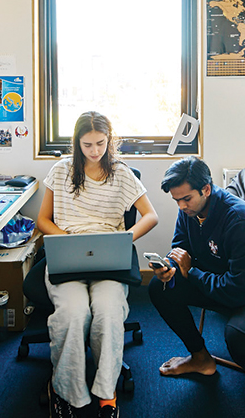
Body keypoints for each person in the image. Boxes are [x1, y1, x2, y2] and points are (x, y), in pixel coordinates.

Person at [149, 156, 245, 418]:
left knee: (239, 336)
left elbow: (239, 290)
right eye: (176, 201)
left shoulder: (240, 220)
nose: (181, 206)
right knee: (159, 289)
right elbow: (181, 247)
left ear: (206, 189)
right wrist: (170, 267)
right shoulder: (189, 211)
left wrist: (191, 272)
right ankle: (201, 358)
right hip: (218, 278)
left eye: (186, 199)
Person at [37, 111, 158, 418]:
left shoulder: (120, 172)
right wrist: (65, 240)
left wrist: (124, 239)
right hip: (69, 251)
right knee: (73, 314)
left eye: (100, 143)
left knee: (107, 312)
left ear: (109, 139)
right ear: (77, 143)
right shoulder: (61, 170)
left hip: (108, 253)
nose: (94, 150)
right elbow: (42, 220)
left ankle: (107, 391)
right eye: (87, 144)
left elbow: (151, 215)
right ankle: (66, 391)